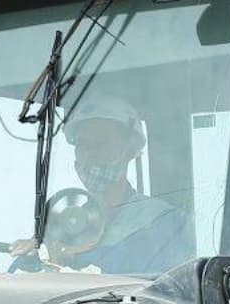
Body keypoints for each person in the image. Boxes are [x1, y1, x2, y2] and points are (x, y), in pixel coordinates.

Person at [49, 94, 193, 275]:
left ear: (130, 150)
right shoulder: (64, 225)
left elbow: (179, 291)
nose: (90, 156)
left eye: (101, 143)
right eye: (83, 144)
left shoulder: (166, 222)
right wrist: (40, 259)